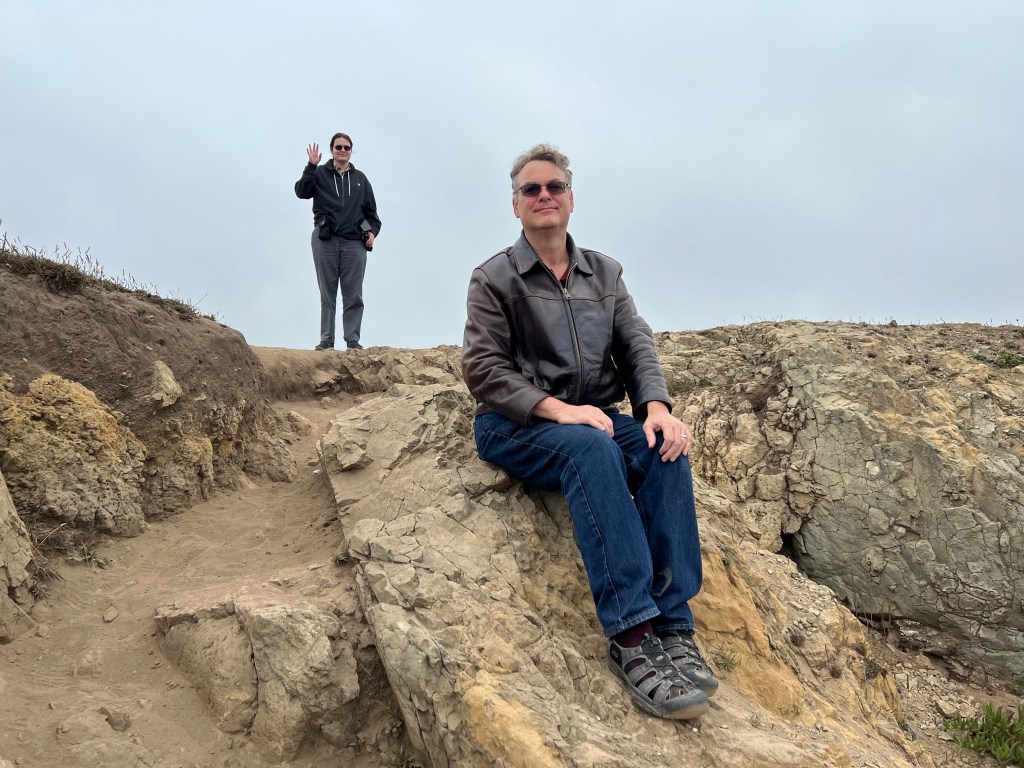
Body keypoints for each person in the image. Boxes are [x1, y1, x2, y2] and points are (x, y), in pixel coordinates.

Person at [461, 144, 717, 720]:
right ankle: (631, 634)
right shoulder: (493, 278)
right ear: (516, 205)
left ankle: (674, 626)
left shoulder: (606, 273)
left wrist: (656, 406)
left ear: (571, 199)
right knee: (591, 447)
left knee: (665, 450)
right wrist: (556, 408)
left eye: (554, 187)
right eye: (532, 190)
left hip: (596, 417)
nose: (544, 196)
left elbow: (636, 343)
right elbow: (483, 368)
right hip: (516, 425)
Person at [295, 132, 381, 350]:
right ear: (332, 150)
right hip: (326, 239)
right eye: (338, 147)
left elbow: (373, 215)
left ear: (351, 151)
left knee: (354, 293)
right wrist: (311, 166)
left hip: (354, 242)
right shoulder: (320, 173)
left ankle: (353, 340)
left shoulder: (361, 179)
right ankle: (326, 341)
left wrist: (371, 232)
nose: (343, 151)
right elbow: (301, 192)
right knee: (327, 292)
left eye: (347, 148)